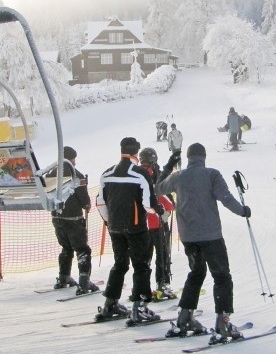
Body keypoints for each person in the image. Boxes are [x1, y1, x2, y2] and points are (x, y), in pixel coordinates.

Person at [156, 143, 251, 341]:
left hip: (189, 238)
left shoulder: (178, 176)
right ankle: (223, 324)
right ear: (203, 157)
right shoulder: (211, 174)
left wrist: (167, 167)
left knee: (196, 273)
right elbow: (225, 198)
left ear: (189, 158)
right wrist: (243, 211)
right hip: (211, 236)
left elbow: (157, 188)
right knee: (222, 276)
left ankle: (184, 318)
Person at [96, 137, 161, 323]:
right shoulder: (140, 173)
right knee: (141, 265)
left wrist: (110, 221)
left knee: (120, 263)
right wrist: (159, 210)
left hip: (115, 227)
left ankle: (111, 303)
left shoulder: (107, 173)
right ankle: (140, 307)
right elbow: (149, 205)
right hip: (135, 227)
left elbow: (100, 202)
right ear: (136, 153)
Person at [46, 146, 99, 294]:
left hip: (57, 217)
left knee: (66, 248)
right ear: (71, 158)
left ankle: (64, 277)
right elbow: (83, 198)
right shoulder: (77, 175)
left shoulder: (51, 173)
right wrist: (87, 204)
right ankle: (84, 281)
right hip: (74, 218)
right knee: (82, 249)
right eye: (74, 158)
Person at [138, 147, 175, 299]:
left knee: (144, 258)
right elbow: (164, 198)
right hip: (157, 222)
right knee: (162, 255)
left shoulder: (135, 173)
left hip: (140, 225)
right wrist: (170, 207)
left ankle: (141, 287)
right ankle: (162, 284)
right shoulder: (154, 175)